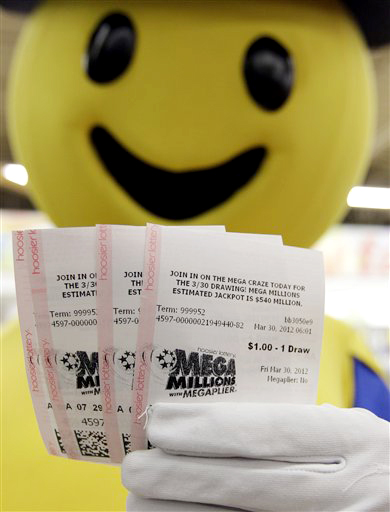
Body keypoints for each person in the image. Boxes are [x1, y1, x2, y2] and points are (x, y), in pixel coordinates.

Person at [2, 0, 389, 510]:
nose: (178, 108)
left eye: (268, 71)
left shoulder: (354, 374)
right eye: (112, 50)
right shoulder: (16, 350)